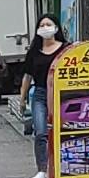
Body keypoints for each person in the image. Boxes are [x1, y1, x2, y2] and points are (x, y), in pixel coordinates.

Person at [18, 16, 65, 153]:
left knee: (62, 130)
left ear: (56, 28)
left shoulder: (66, 49)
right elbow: (27, 76)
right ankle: (43, 164)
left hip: (62, 94)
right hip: (40, 94)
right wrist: (22, 98)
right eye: (42, 25)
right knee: (40, 132)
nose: (45, 28)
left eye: (48, 24)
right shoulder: (34, 52)